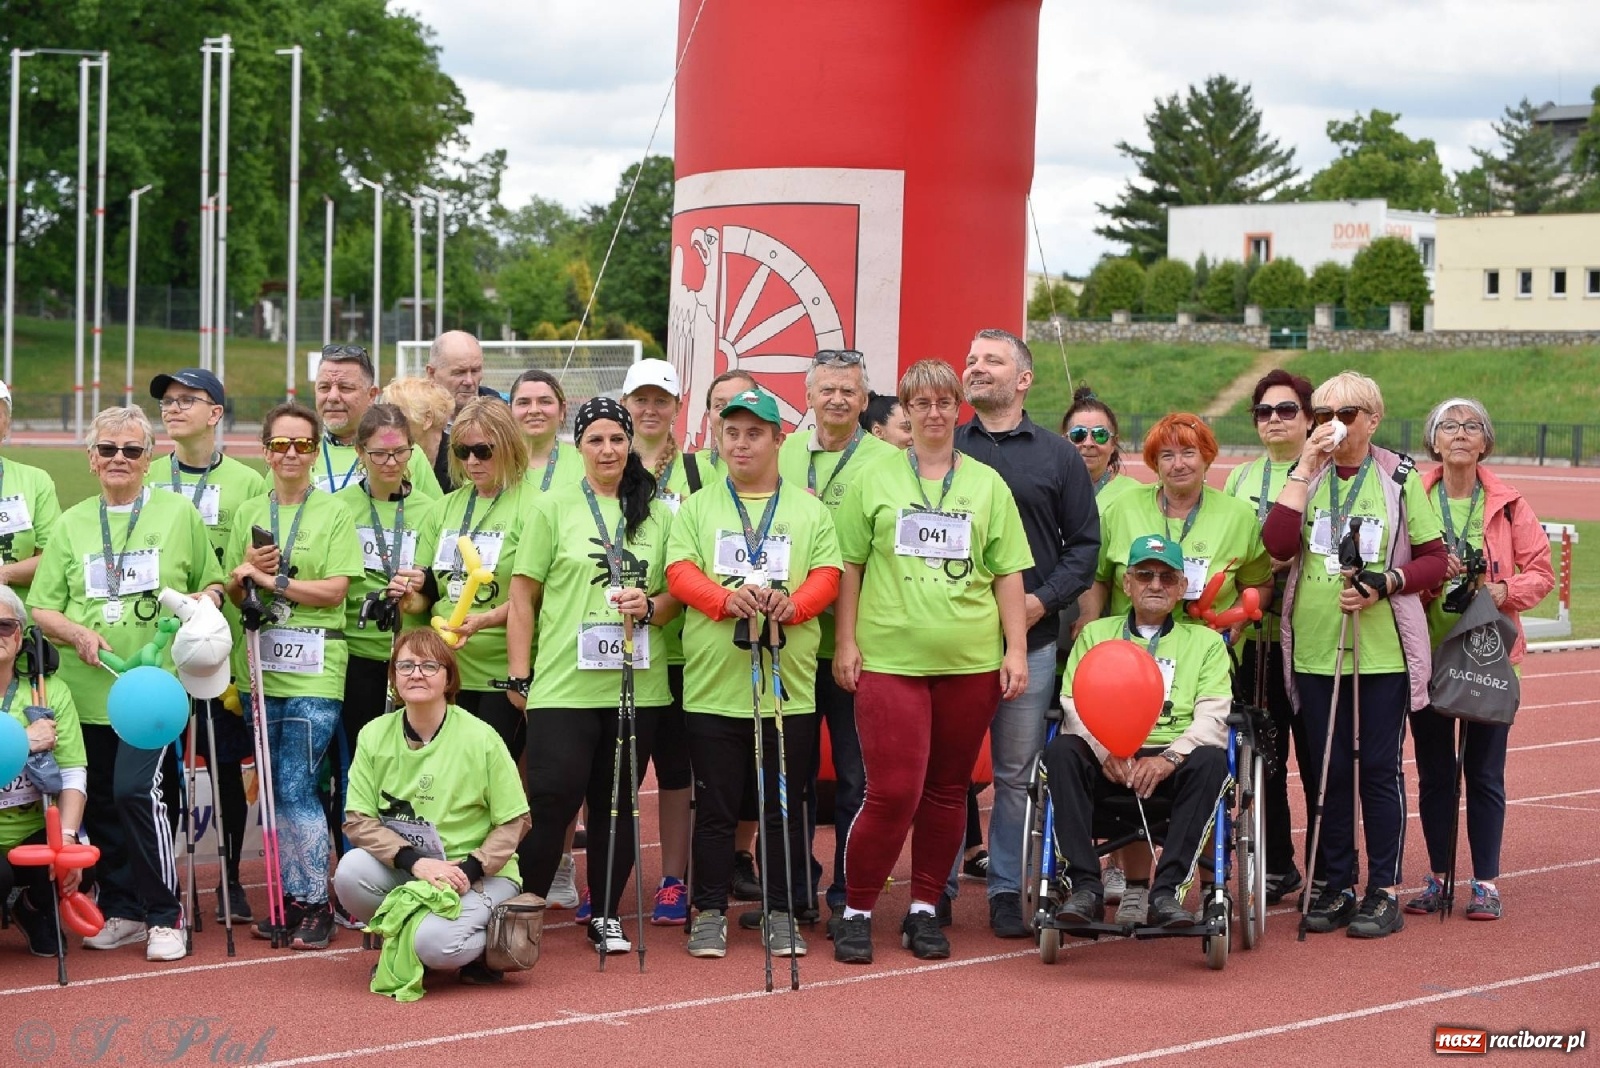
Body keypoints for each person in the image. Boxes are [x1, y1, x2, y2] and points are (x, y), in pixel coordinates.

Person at [831, 359, 1031, 964]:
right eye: (922, 403)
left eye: (945, 402)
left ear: (957, 408)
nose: (935, 413)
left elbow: (1008, 573)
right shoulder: (873, 479)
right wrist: (845, 643)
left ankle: (923, 909)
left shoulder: (987, 484)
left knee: (947, 791)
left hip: (969, 661)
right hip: (890, 658)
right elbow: (849, 567)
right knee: (892, 791)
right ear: (907, 411)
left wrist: (1015, 650)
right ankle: (856, 910)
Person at [29, 406, 226, 962]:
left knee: (135, 793)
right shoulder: (71, 523)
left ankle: (165, 914)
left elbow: (212, 582)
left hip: (152, 692)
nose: (119, 458)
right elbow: (43, 606)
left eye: (132, 450)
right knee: (103, 804)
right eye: (108, 449)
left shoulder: (178, 513)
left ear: (148, 459)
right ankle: (124, 909)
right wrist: (76, 632)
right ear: (91, 459)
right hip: (87, 691)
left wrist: (201, 606)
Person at [1263, 370, 1448, 940]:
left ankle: (1383, 890)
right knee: (1331, 769)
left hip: (1381, 653)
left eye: (1346, 414)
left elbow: (1435, 560)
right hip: (1316, 650)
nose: (1333, 425)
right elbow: (1277, 544)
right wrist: (1302, 468)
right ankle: (1337, 882)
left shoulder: (1399, 477)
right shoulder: (1307, 476)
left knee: (1378, 771)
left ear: (1372, 419)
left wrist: (1386, 582)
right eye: (1323, 415)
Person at [665, 385, 841, 961]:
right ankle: (709, 911)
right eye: (732, 433)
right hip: (714, 689)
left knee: (783, 811)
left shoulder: (810, 510)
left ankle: (782, 911)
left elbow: (828, 575)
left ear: (778, 439)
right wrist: (723, 600)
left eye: (755, 434)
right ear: (719, 437)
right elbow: (678, 571)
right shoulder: (698, 507)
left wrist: (796, 605)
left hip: (787, 690)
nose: (742, 444)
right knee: (715, 811)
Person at [508, 397, 682, 954]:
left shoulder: (659, 513)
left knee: (618, 804)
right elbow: (522, 596)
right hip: (564, 684)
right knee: (552, 799)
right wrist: (519, 675)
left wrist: (649, 605)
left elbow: (676, 593)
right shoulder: (551, 507)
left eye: (617, 439)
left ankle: (605, 913)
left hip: (637, 686)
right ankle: (524, 910)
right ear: (578, 446)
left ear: (630, 443)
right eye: (595, 440)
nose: (608, 450)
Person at [955, 328, 1100, 939]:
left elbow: (1084, 548)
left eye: (992, 360)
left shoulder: (1059, 456)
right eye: (971, 359)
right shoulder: (944, 448)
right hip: (952, 646)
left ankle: (1005, 890)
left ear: (1023, 379)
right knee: (946, 774)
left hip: (1032, 645)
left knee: (1016, 775)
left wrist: (1038, 603)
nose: (976, 367)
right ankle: (934, 892)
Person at [1407, 398, 1554, 922]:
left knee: (1485, 773)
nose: (1460, 434)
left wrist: (1500, 590)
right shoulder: (1412, 496)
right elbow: (1397, 567)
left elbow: (1542, 572)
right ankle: (1438, 876)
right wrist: (1429, 583)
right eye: (1449, 425)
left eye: (1472, 426)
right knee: (1434, 773)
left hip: (1490, 659)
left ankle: (1486, 882)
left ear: (1485, 441)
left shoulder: (1509, 504)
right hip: (1427, 656)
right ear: (1434, 440)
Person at [225, 401, 363, 951]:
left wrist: (274, 581)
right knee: (276, 789)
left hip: (315, 670)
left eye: (303, 445)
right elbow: (234, 589)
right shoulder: (248, 511)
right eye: (280, 444)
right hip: (260, 670)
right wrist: (243, 577)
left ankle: (315, 902)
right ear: (265, 451)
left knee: (294, 783)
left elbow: (336, 590)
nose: (290, 454)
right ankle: (291, 898)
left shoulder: (334, 512)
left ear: (315, 452)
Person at [1048, 535, 1232, 929]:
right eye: (1145, 575)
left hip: (1173, 760)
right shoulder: (1096, 635)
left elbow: (1213, 715)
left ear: (1182, 588)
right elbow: (1072, 703)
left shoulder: (1206, 643)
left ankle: (1166, 893)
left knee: (1212, 760)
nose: (1155, 585)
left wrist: (1170, 758)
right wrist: (1105, 752)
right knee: (1061, 751)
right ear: (1127, 583)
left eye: (1167, 577)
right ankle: (1084, 887)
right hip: (1107, 759)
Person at [334, 629, 530, 988]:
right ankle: (410, 937)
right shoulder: (373, 734)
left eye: (429, 666)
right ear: (394, 676)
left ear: (448, 677)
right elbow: (358, 820)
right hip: (415, 868)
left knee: (434, 947)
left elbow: (515, 821)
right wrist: (413, 861)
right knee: (349, 873)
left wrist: (470, 869)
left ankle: (494, 941)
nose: (416, 674)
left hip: (475, 875)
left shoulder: (481, 737)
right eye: (406, 665)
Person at [776, 350, 897, 929]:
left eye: (849, 391)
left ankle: (850, 892)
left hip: (858, 649)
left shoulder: (889, 461)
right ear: (809, 397)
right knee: (792, 779)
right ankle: (795, 890)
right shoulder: (784, 453)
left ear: (865, 400)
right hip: (790, 645)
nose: (838, 399)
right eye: (827, 390)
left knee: (855, 780)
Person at [147, 367, 267, 925]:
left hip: (222, 651)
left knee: (223, 767)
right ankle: (167, 882)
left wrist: (219, 590)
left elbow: (254, 561)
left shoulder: (248, 482)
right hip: (158, 650)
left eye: (186, 400)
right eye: (168, 401)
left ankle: (229, 881)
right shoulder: (148, 475)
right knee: (164, 771)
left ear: (215, 413)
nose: (173, 408)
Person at [1221, 368, 1316, 906]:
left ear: (1309, 418)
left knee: (1318, 762)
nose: (1274, 420)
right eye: (1263, 411)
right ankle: (1278, 864)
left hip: (1308, 638)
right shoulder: (1240, 477)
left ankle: (1329, 868)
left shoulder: (1323, 473)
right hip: (1252, 642)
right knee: (1264, 759)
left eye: (1286, 410)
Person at [402, 400, 531, 756]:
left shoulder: (536, 507)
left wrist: (484, 620)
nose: (472, 461)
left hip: (500, 669)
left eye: (483, 451)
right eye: (462, 451)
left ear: (508, 445)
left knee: (489, 772)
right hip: (444, 670)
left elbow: (539, 596)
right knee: (444, 770)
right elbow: (428, 594)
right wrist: (409, 597)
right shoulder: (444, 508)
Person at [620, 358, 695, 925]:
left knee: (674, 770)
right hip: (610, 647)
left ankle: (673, 879)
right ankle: (605, 879)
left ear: (676, 407)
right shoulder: (601, 463)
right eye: (640, 399)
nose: (650, 410)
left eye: (660, 400)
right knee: (613, 772)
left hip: (681, 648)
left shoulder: (698, 471)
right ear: (626, 404)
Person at [1084, 414, 1273, 637]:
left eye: (1188, 453)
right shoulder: (1124, 508)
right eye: (1167, 455)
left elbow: (1260, 585)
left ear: (1206, 457)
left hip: (1208, 648)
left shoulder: (1239, 517)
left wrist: (1235, 621)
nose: (1178, 464)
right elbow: (1097, 577)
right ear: (1155, 463)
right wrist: (1088, 618)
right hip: (1131, 647)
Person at [0, 585, 87, 958]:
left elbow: (72, 772)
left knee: (76, 861)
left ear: (19, 636)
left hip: (33, 826)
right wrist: (24, 740)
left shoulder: (50, 691)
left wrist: (67, 838)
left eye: (4, 626)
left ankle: (31, 908)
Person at [313, 344, 442, 498]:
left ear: (372, 395)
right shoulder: (299, 451)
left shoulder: (404, 453)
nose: (333, 397)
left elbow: (434, 512)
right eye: (324, 387)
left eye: (345, 388)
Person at [0, 381, 63, 604]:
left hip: (18, 619)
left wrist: (5, 574)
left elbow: (52, 557)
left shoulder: (35, 481)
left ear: (7, 425)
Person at [1061, 385, 1140, 511]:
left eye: (1100, 435)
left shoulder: (1134, 494)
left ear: (1113, 443)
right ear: (1064, 441)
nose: (1088, 443)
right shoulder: (1047, 492)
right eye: (1078, 434)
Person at [509, 370, 584, 495]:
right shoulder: (492, 463)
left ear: (562, 410)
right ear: (510, 410)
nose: (534, 410)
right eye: (524, 403)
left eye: (545, 402)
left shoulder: (585, 464)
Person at [380, 376, 456, 491]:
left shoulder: (463, 457)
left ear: (427, 419)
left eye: (397, 417)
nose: (387, 425)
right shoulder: (384, 459)